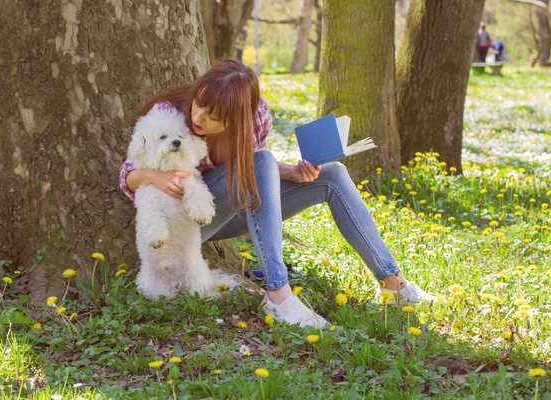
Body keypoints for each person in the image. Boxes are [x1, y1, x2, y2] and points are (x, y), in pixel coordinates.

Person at [119, 59, 435, 328]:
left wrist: (290, 172)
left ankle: (393, 282)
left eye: (214, 117)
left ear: (237, 117)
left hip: (225, 211)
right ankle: (278, 294)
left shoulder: (256, 118)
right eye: (200, 103)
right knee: (263, 161)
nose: (198, 117)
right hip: (180, 221)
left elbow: (254, 169)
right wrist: (150, 176)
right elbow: (127, 174)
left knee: (333, 175)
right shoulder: (170, 113)